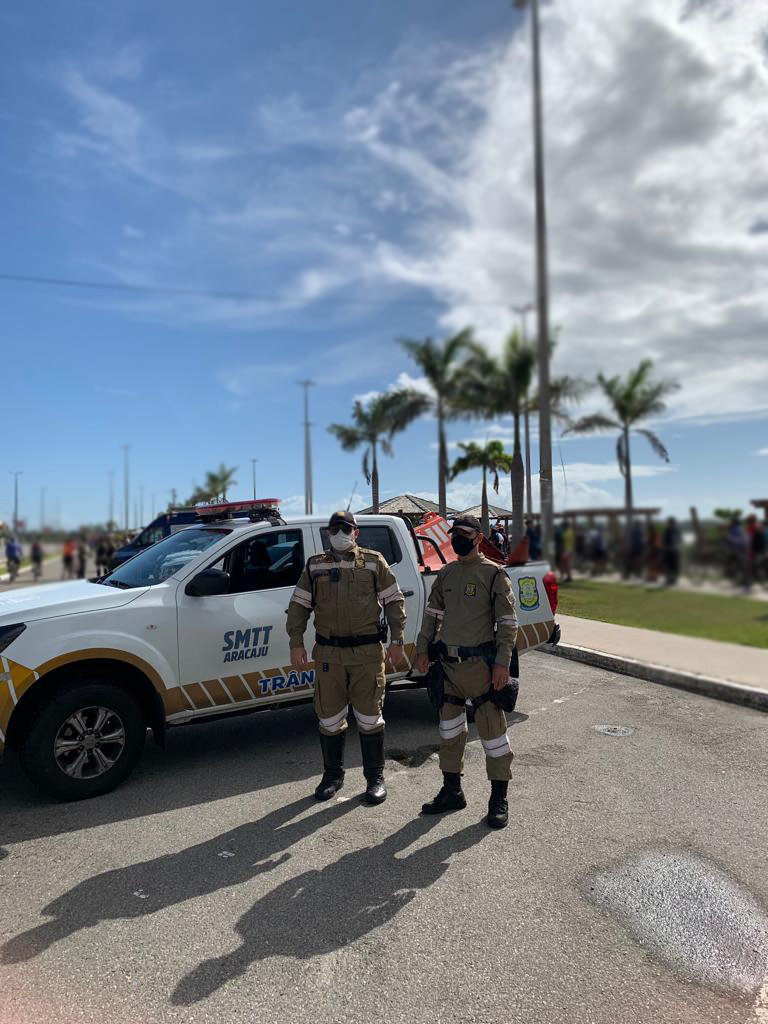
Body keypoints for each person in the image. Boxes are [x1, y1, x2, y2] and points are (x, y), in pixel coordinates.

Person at [286, 510, 406, 805]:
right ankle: (332, 776)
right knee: (328, 719)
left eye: (346, 527)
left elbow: (394, 600)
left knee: (369, 718)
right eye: (335, 527)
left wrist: (398, 640)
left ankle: (374, 778)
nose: (340, 532)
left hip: (367, 655)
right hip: (329, 656)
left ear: (356, 532)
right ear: (327, 532)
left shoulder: (374, 562)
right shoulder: (315, 566)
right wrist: (296, 642)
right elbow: (299, 605)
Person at [414, 515, 518, 830]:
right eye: (454, 533)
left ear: (478, 537)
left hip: (482, 670)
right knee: (449, 733)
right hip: (449, 669)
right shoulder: (446, 574)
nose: (457, 537)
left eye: (464, 533)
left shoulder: (494, 574)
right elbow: (431, 615)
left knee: (493, 736)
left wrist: (502, 663)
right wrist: (422, 648)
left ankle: (498, 799)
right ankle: (452, 790)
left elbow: (508, 624)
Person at [662, 517, 680, 586]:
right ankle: (673, 578)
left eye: (668, 522)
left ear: (670, 523)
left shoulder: (668, 530)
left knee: (669, 565)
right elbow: (680, 540)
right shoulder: (676, 530)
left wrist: (664, 548)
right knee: (674, 565)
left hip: (669, 550)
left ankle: (670, 579)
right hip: (675, 550)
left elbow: (664, 540)